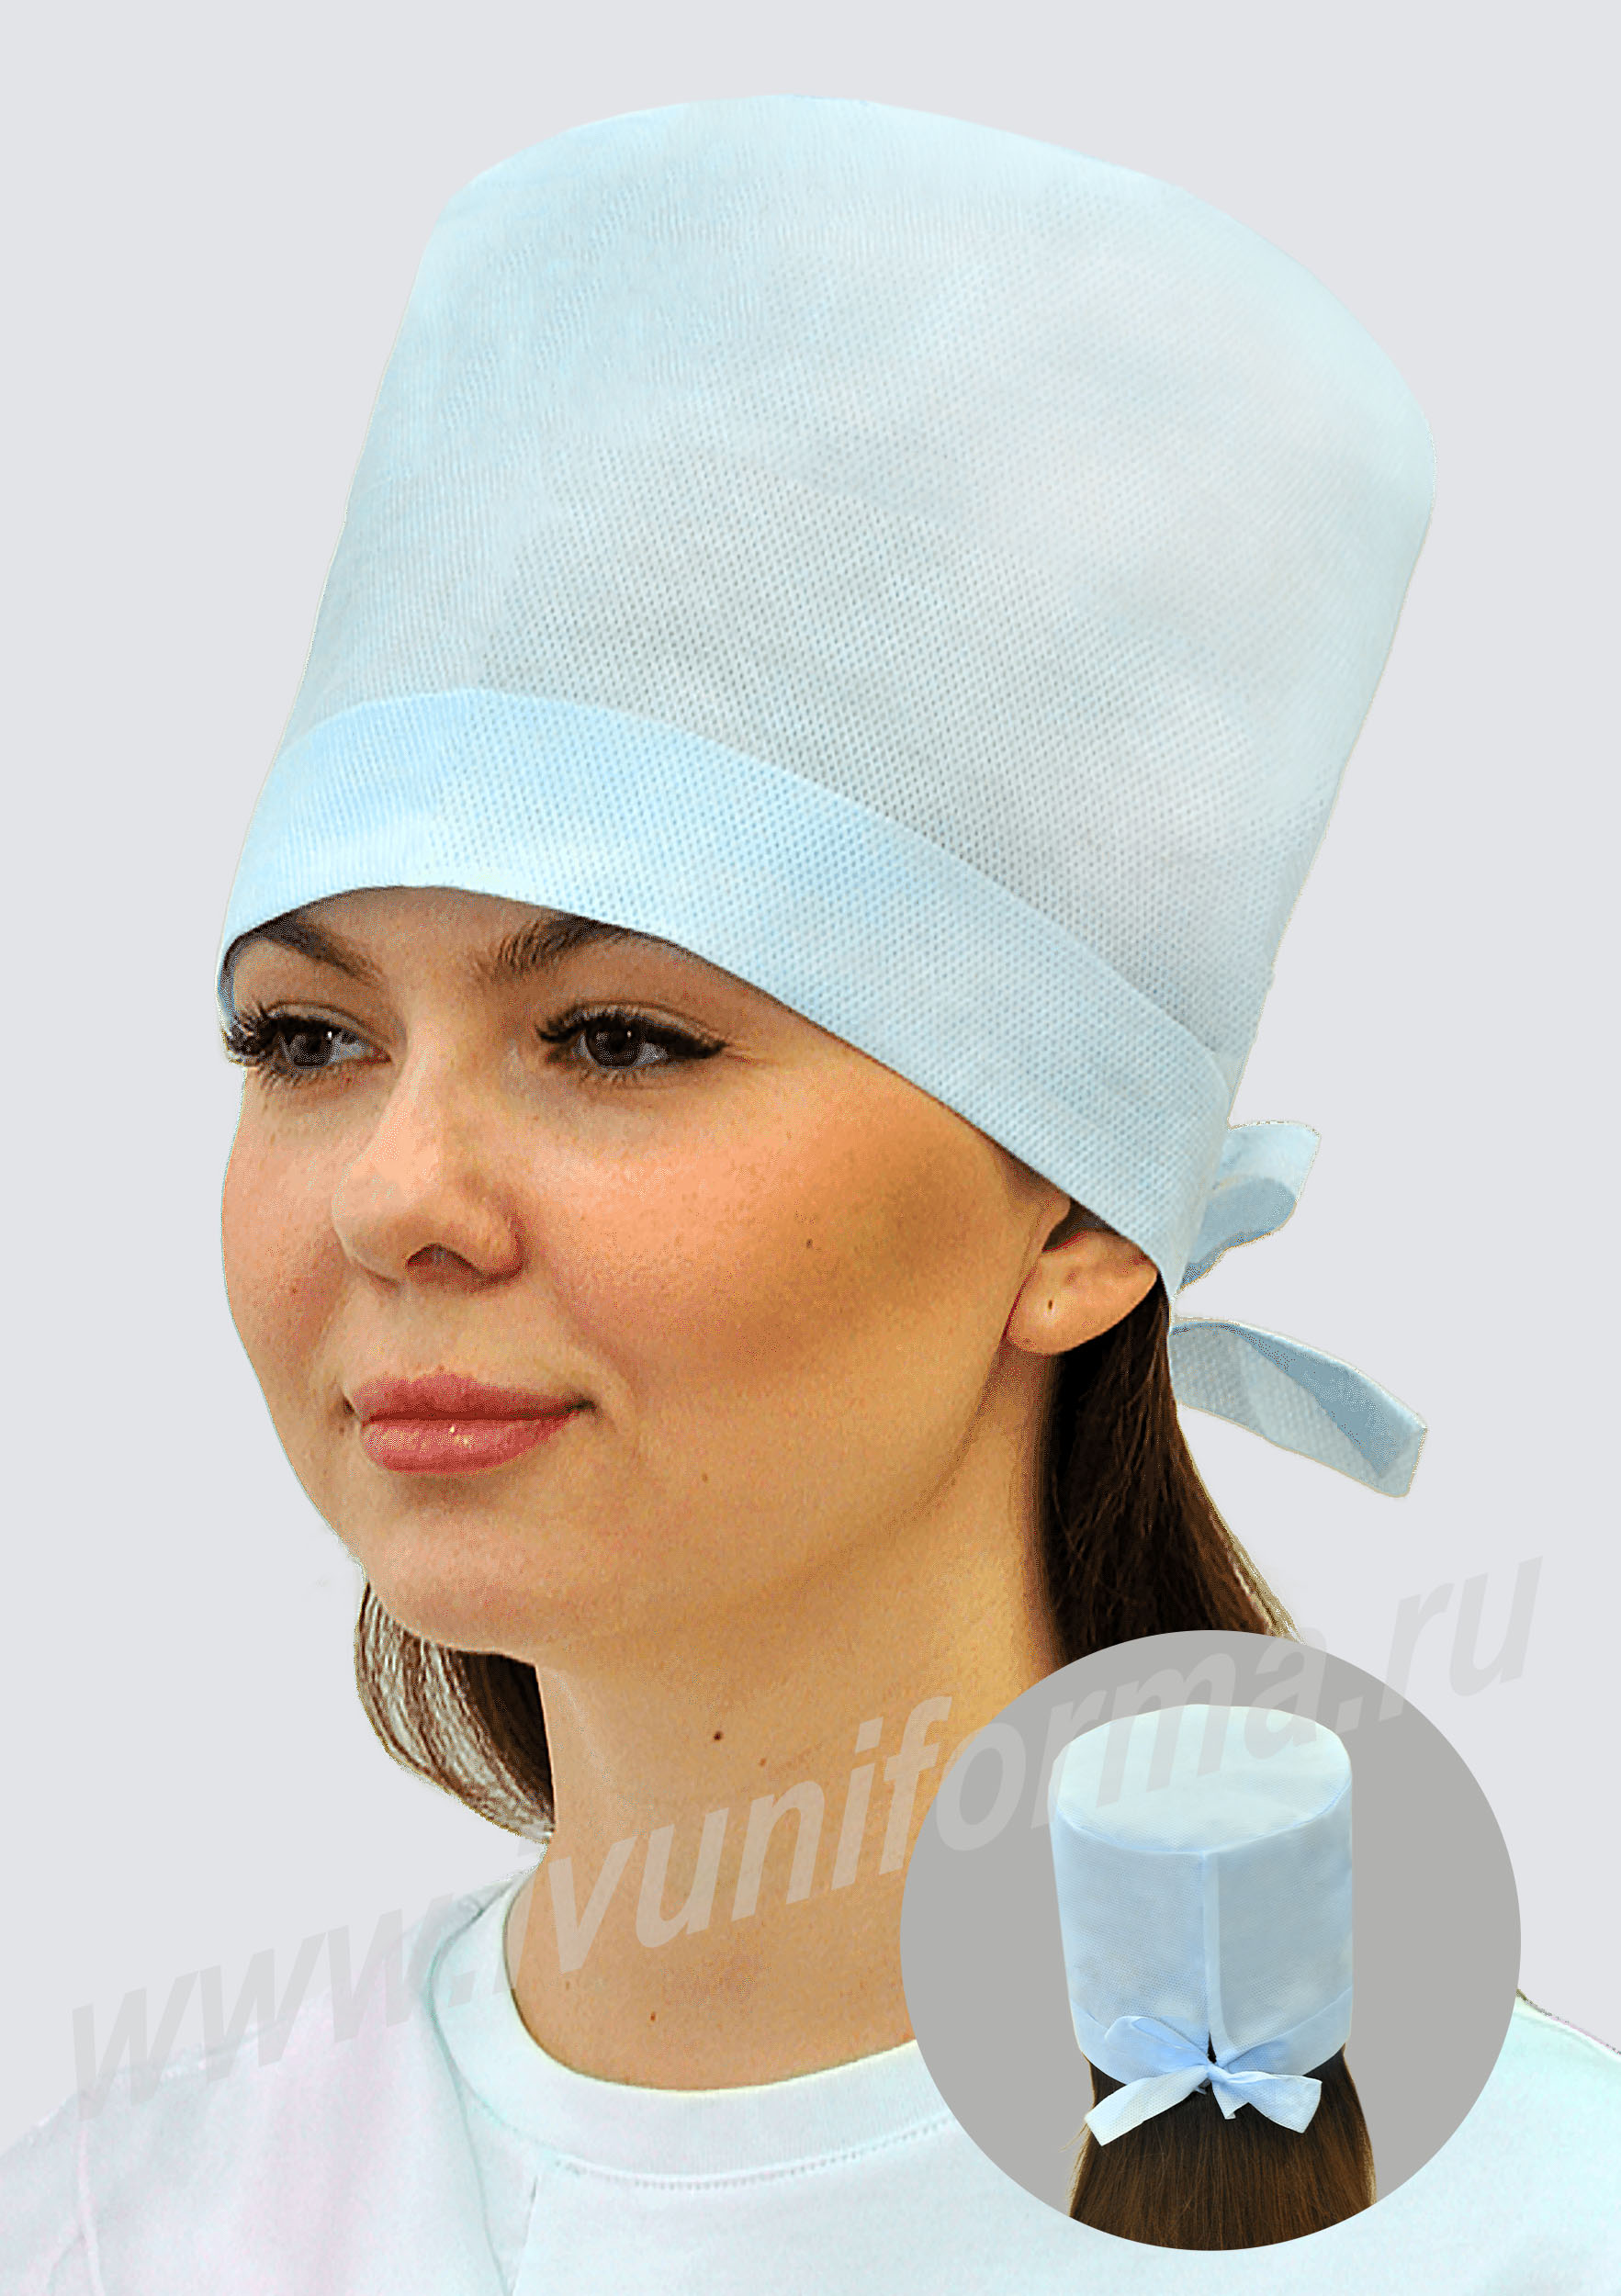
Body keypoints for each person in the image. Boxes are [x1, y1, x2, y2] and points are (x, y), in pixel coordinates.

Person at [4, 95, 1616, 2291]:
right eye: (305, 1038)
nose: (393, 1195)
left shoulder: (1521, 2238)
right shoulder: (122, 2227)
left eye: (616, 1038)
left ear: (1081, 1215)